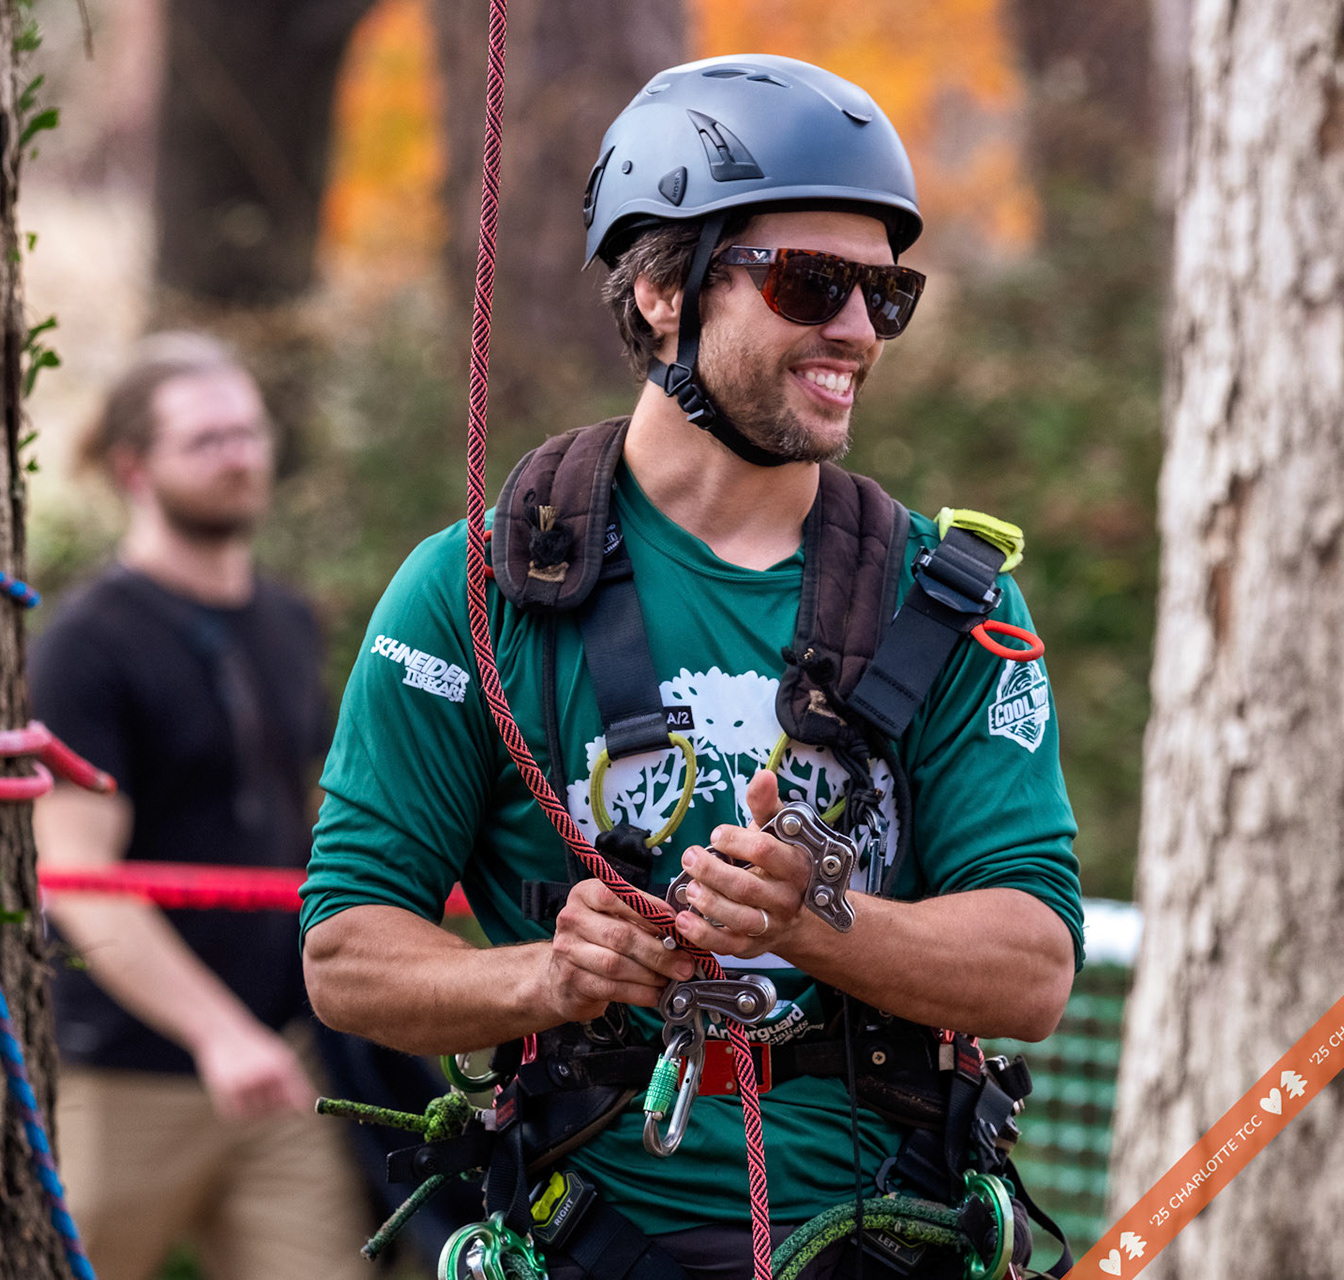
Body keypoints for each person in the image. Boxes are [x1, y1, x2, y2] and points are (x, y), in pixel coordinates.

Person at [300, 55, 1084, 1280]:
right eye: (810, 281)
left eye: (887, 292)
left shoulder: (944, 602)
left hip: (882, 1236)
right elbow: (347, 951)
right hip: (590, 1236)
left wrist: (814, 917)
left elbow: (1032, 964)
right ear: (664, 289)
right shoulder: (475, 591)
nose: (855, 329)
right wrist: (548, 975)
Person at [30, 333, 366, 1280]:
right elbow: (75, 877)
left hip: (285, 1063)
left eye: (249, 433)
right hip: (124, 1075)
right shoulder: (85, 645)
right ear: (134, 468)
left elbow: (315, 826)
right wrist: (219, 1035)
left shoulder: (287, 621)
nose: (240, 456)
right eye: (208, 440)